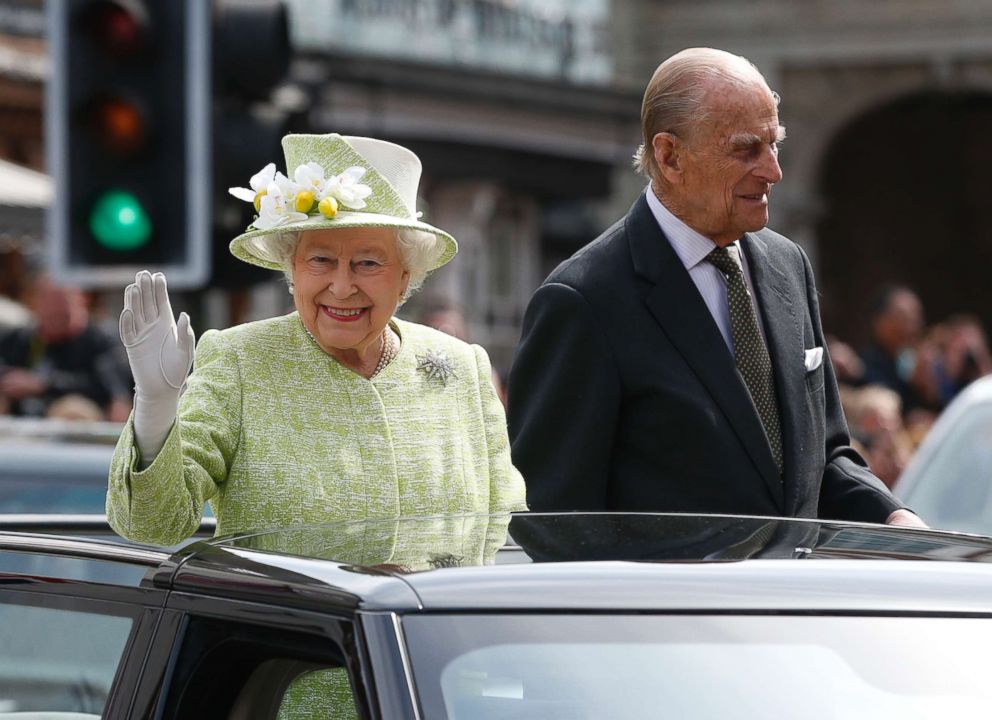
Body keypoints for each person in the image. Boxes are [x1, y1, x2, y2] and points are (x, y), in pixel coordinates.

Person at [507, 47, 922, 527]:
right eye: (746, 149)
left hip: (793, 600)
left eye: (775, 144)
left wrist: (894, 517)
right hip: (667, 602)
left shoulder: (788, 266)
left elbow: (823, 456)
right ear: (669, 156)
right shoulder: (584, 300)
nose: (773, 170)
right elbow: (557, 521)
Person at [107, 133, 526, 548]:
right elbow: (153, 527)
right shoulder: (240, 361)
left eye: (367, 263)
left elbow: (505, 530)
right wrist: (155, 407)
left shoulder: (461, 366)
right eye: (320, 260)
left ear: (405, 277)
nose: (341, 287)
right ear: (292, 270)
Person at [0, 275, 132, 421]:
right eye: (46, 300)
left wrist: (44, 385)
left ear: (81, 300)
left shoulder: (100, 340)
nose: (53, 307)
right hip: (20, 417)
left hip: (76, 420)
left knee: (72, 410)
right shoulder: (22, 338)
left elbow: (110, 389)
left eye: (60, 300)